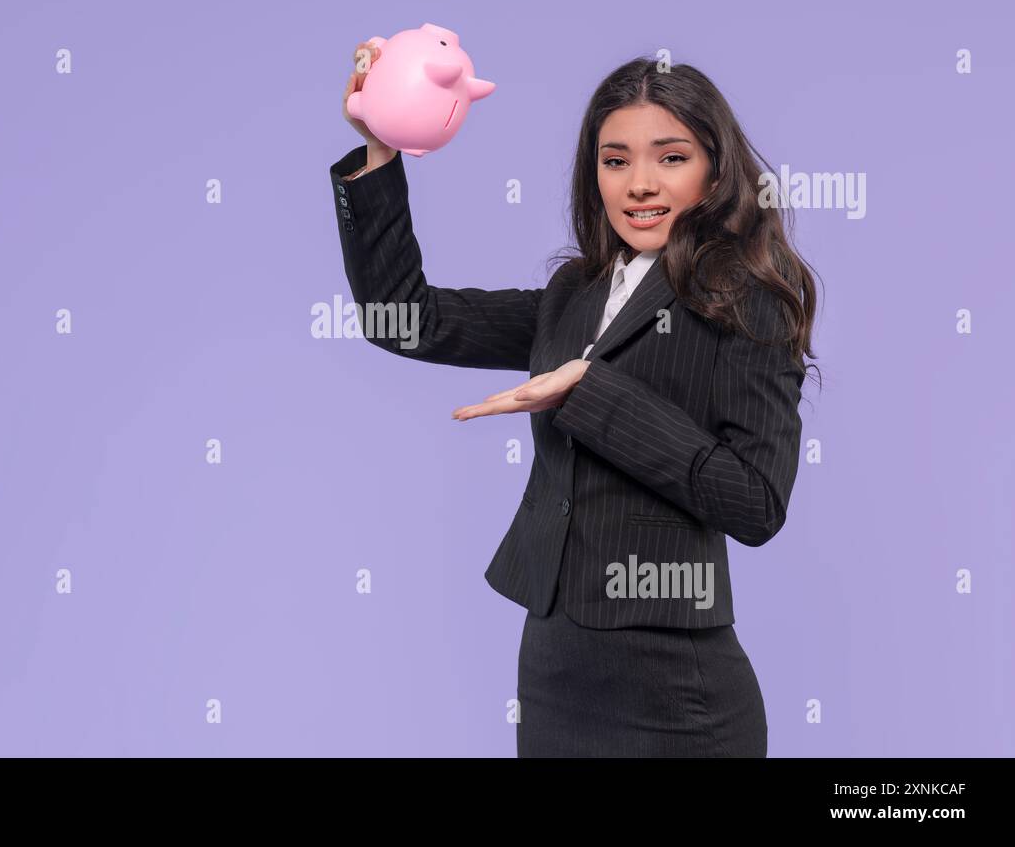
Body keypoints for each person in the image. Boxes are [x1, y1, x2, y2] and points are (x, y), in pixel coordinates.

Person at [329, 43, 821, 757]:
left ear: (716, 172)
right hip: (554, 674)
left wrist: (594, 392)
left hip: (678, 699)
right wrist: (380, 148)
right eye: (615, 160)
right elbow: (403, 318)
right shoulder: (572, 297)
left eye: (672, 157)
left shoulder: (748, 301)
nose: (640, 184)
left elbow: (756, 503)